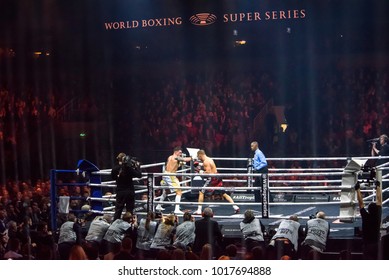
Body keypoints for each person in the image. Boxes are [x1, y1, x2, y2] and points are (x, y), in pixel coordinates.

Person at [193, 150, 239, 215]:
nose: (198, 158)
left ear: (200, 155)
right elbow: (208, 166)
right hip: (217, 176)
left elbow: (208, 172)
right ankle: (235, 207)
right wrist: (199, 165)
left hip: (212, 179)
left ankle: (199, 210)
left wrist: (200, 172)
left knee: (201, 192)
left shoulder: (206, 161)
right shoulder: (209, 159)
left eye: (198, 156)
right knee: (223, 193)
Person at [157, 147, 192, 214]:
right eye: (180, 152)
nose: (180, 153)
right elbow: (185, 159)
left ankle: (158, 205)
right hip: (170, 176)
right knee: (179, 192)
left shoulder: (170, 157)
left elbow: (174, 165)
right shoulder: (176, 157)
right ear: (176, 151)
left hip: (165, 174)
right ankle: (177, 209)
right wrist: (192, 158)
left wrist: (180, 163)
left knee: (166, 191)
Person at [355, 180, 382, 259]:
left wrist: (357, 189)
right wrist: (378, 187)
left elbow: (361, 203)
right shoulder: (378, 216)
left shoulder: (366, 216)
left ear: (369, 210)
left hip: (367, 245)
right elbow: (379, 200)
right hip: (376, 244)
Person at [111, 152, 142, 221]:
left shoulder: (115, 169)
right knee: (129, 210)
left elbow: (113, 177)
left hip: (120, 192)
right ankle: (128, 227)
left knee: (118, 210)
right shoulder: (128, 169)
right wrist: (137, 167)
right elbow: (139, 175)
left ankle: (115, 225)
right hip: (129, 191)